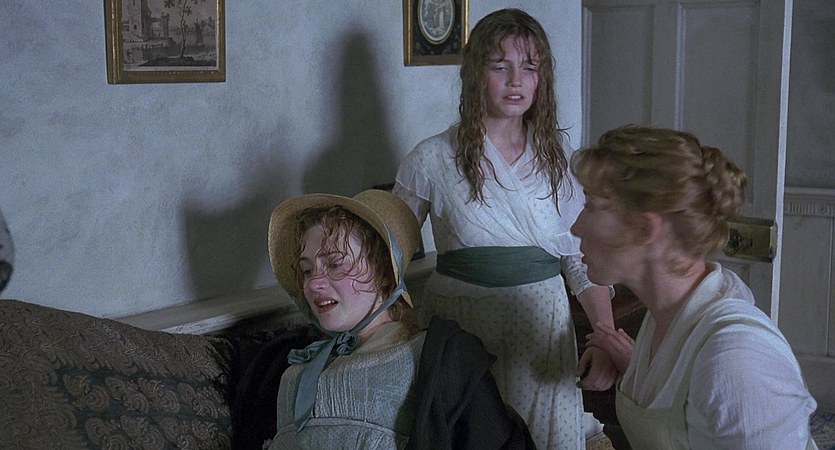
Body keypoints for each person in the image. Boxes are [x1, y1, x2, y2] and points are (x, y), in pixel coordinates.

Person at [393, 8, 616, 449]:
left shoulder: (557, 159)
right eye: (500, 67)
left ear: (541, 78)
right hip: (459, 329)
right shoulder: (430, 159)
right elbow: (387, 259)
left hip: (540, 332)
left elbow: (579, 259)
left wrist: (606, 339)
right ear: (476, 74)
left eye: (529, 68)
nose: (516, 81)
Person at [572, 125, 819, 449]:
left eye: (590, 205)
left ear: (645, 228)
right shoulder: (662, 318)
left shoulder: (738, 361)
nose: (576, 226)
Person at [263, 189, 535, 449]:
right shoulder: (293, 372)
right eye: (307, 270)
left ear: (384, 271)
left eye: (335, 264)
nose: (313, 284)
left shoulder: (437, 359)